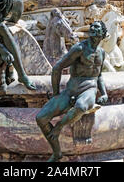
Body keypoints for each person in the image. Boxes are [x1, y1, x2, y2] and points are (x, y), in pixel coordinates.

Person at [36, 21, 109, 162]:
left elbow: (99, 76)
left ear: (103, 34)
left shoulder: (102, 53)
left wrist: (104, 93)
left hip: (89, 89)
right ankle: (57, 153)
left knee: (81, 106)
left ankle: (58, 127)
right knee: (41, 118)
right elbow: (57, 68)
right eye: (92, 26)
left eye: (97, 27)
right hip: (71, 90)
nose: (93, 28)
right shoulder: (79, 48)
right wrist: (56, 94)